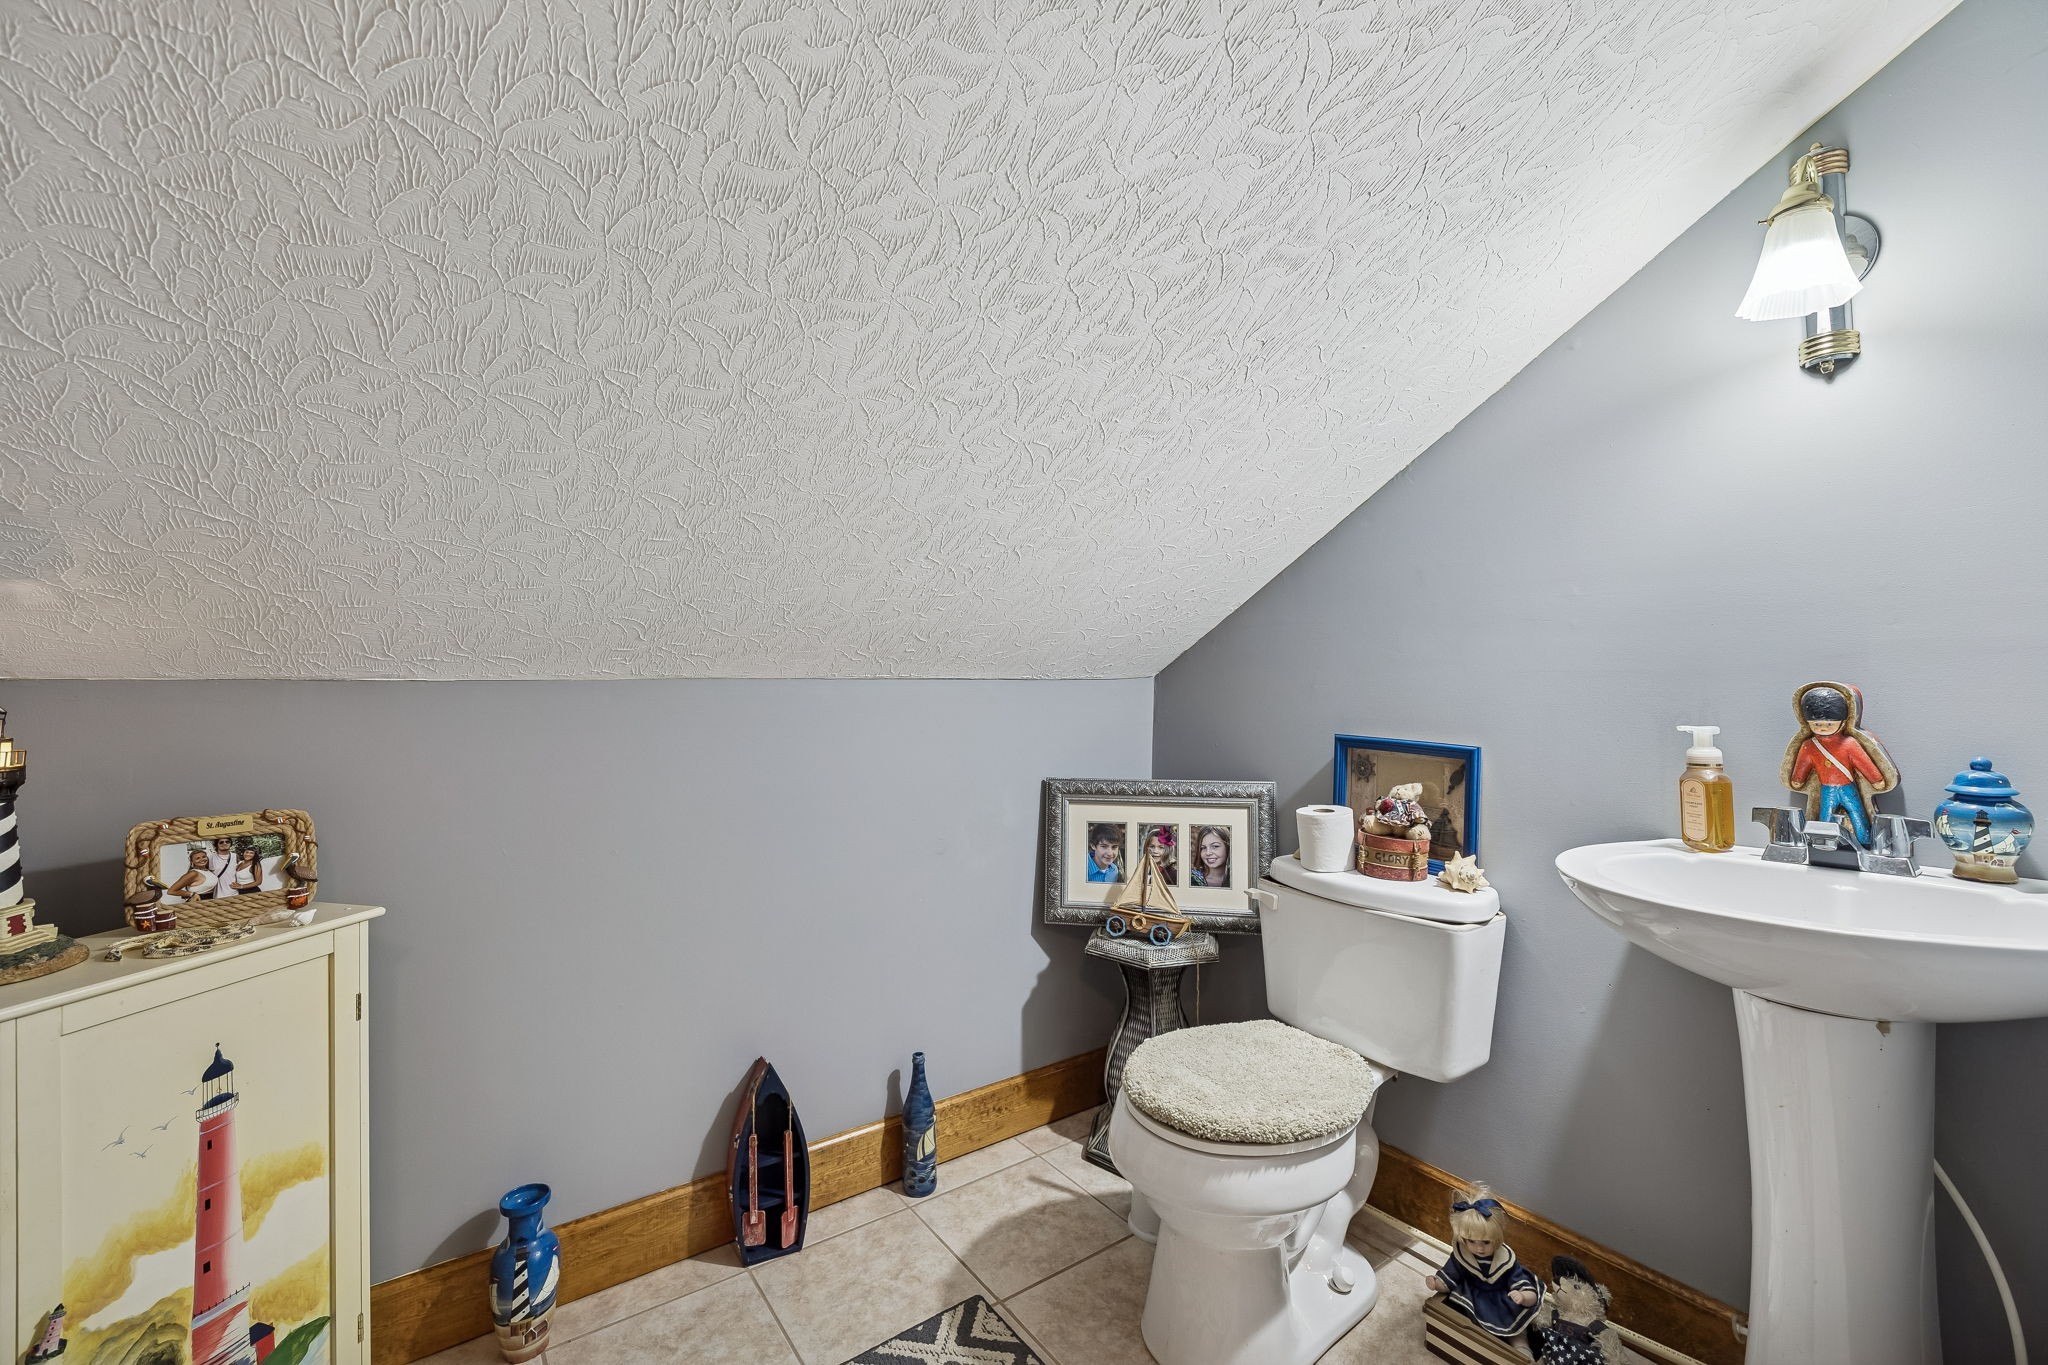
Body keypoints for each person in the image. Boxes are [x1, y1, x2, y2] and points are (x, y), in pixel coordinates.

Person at [1780, 682, 1898, 846]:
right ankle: (1824, 842)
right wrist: (1798, 778)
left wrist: (1875, 779)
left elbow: (1863, 762)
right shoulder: (1809, 745)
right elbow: (1803, 764)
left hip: (1847, 787)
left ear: (1842, 722)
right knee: (1825, 818)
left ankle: (1865, 841)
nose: (1822, 728)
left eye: (1829, 724)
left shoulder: (1849, 744)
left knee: (1857, 814)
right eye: (1817, 724)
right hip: (1827, 789)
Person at [1426, 1185, 1542, 1342]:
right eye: (1471, 1241)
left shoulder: (1506, 1260)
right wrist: (1436, 1283)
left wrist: (1523, 1296)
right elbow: (1451, 1276)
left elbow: (1523, 1285)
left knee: (1516, 1324)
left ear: (1497, 1238)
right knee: (1463, 1317)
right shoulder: (1462, 1254)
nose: (1479, 1248)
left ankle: (1520, 1345)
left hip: (1501, 1299)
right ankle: (1472, 1340)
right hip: (1473, 1297)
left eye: (1486, 1242)